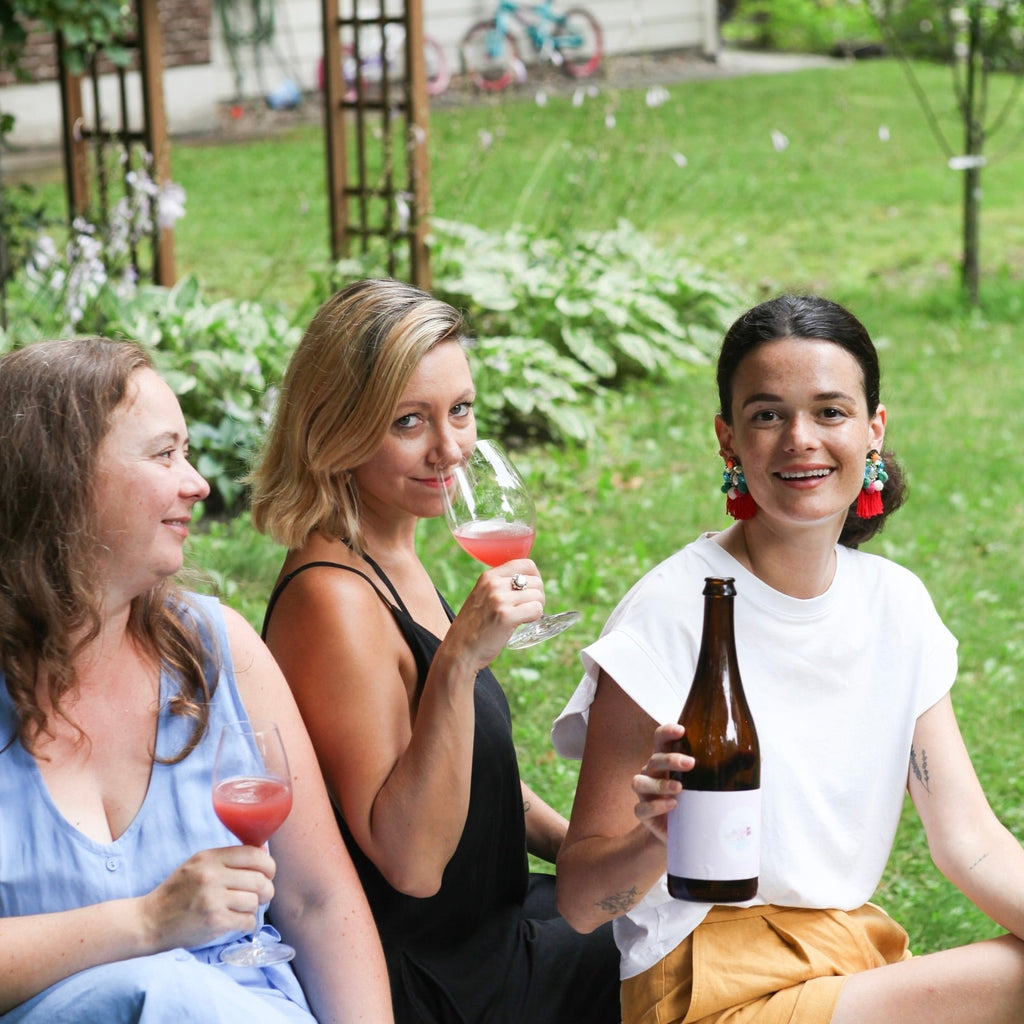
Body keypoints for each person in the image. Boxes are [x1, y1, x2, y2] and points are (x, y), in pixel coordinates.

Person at [552, 294, 1024, 1024]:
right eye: (767, 415)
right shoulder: (673, 612)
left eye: (830, 412)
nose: (800, 439)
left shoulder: (896, 605)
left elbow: (970, 843)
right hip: (706, 985)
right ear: (727, 439)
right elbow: (583, 903)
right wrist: (654, 841)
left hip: (846, 964)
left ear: (874, 430)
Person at [248, 278, 621, 1024]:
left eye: (461, 410)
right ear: (336, 430)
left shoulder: (388, 553)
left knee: (673, 909)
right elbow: (411, 863)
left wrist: (586, 844)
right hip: (442, 980)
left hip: (495, 922)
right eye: (409, 422)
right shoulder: (333, 602)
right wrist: (457, 662)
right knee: (687, 957)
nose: (450, 448)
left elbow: (466, 775)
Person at [0, 337, 393, 1024]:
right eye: (164, 455)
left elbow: (318, 902)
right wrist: (149, 922)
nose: (198, 483)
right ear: (61, 482)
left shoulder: (218, 650)